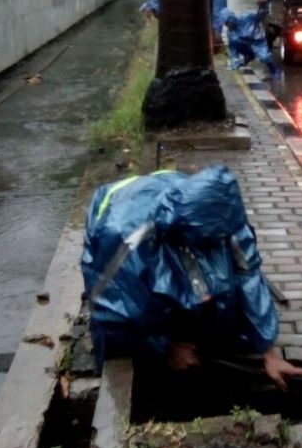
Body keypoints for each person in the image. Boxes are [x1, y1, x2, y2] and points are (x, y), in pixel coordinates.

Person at [82, 164, 290, 387]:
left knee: (216, 292)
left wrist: (268, 349)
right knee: (133, 304)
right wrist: (165, 346)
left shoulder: (228, 221)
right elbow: (109, 307)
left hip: (171, 187)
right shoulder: (126, 237)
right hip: (119, 208)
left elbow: (249, 277)